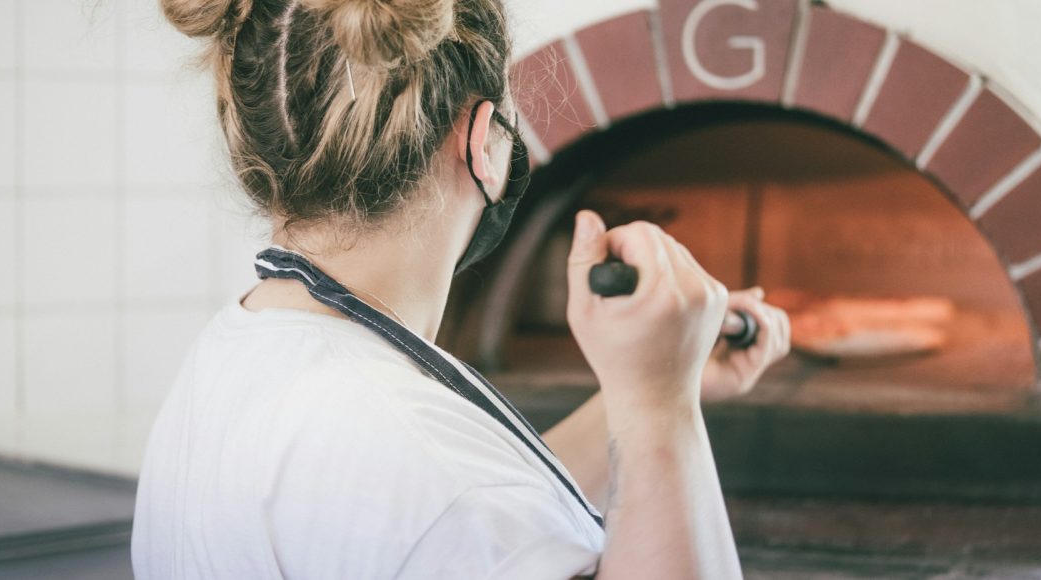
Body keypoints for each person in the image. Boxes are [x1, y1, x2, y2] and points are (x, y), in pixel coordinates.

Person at [131, 0, 791, 578]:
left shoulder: (238, 352)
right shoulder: (419, 465)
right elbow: (448, 504)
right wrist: (660, 409)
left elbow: (452, 509)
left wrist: (655, 383)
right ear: (483, 143)